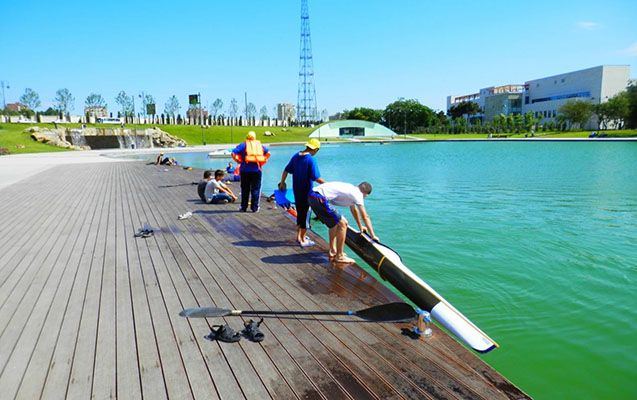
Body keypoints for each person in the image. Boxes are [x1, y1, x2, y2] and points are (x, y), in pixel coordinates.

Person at [309, 181, 378, 264]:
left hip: (311, 196)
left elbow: (354, 210)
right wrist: (373, 235)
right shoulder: (358, 194)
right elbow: (365, 217)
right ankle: (340, 256)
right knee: (343, 223)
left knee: (334, 224)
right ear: (365, 194)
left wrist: (360, 227)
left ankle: (333, 250)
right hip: (319, 198)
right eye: (365, 197)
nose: (364, 198)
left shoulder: (352, 189)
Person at [278, 138, 325, 247]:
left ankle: (299, 236)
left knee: (300, 213)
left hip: (297, 191)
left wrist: (282, 183)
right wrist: (328, 184)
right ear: (316, 149)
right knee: (306, 215)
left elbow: (286, 170)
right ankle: (302, 239)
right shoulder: (310, 160)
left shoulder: (296, 156)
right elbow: (316, 178)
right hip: (307, 192)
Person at [232, 131, 270, 212]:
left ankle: (243, 207)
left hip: (245, 170)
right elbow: (268, 153)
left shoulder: (243, 145)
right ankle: (255, 208)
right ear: (255, 137)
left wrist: (237, 160)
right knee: (255, 189)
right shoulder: (259, 145)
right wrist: (263, 161)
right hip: (257, 170)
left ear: (247, 137)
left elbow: (233, 153)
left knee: (245, 189)